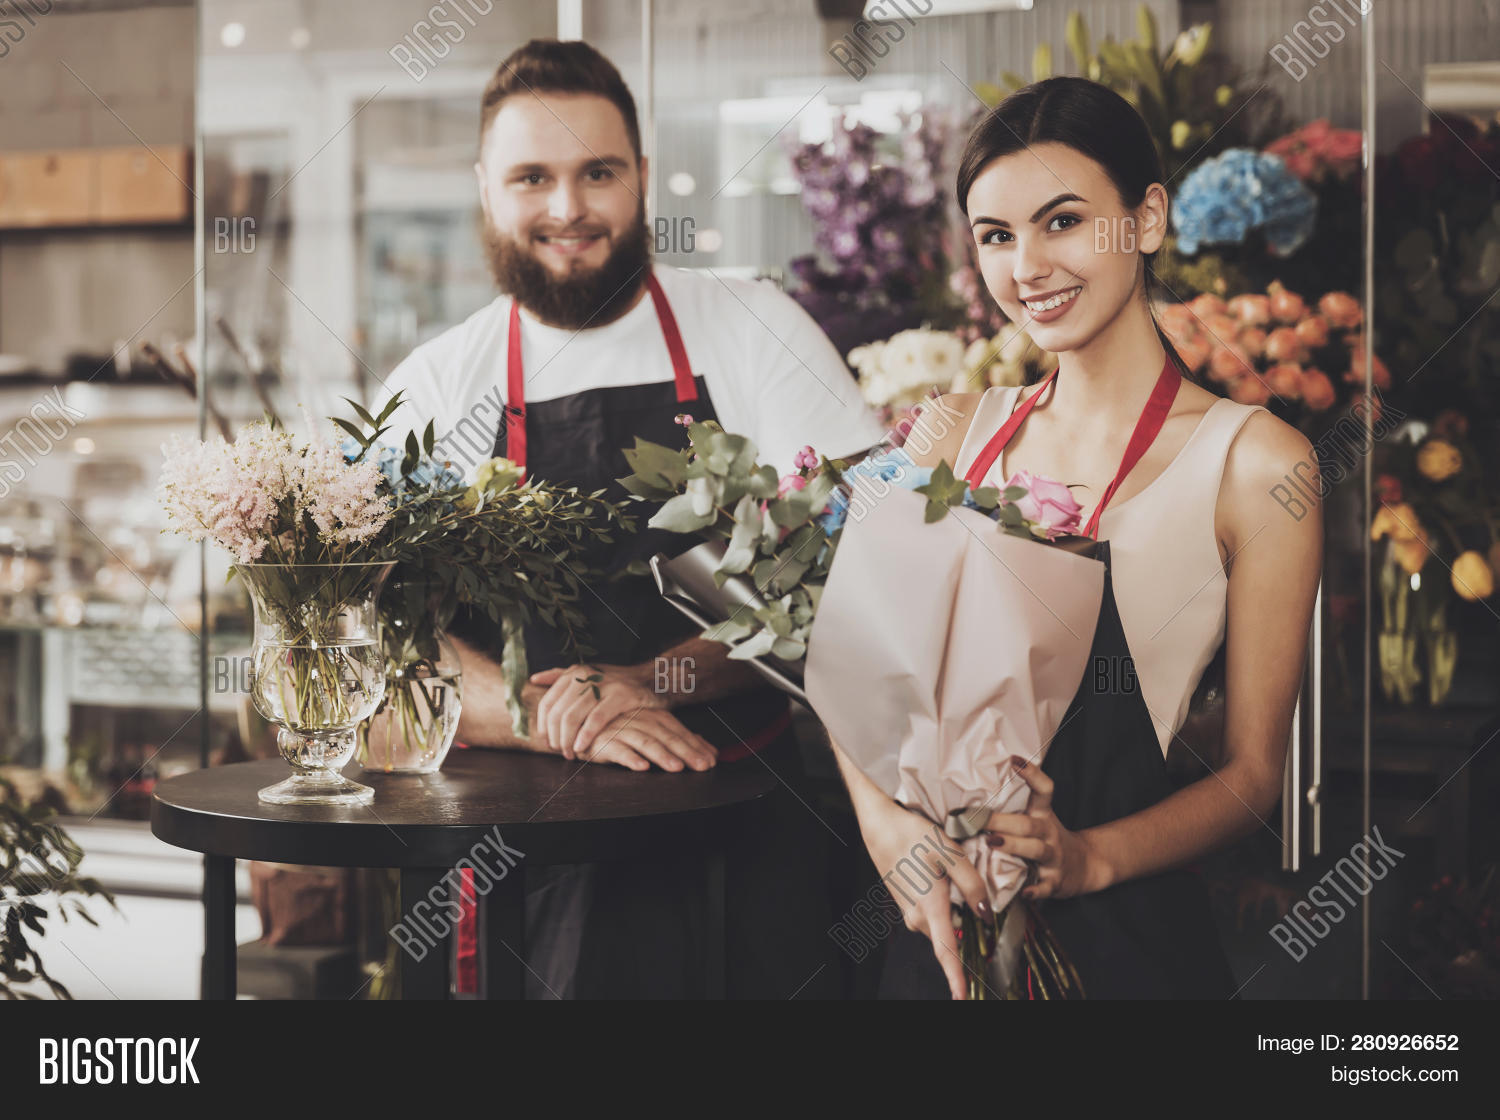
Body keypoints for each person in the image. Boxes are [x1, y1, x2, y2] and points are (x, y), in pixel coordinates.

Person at [378, 39, 885, 998]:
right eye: (533, 177)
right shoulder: (437, 387)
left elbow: (861, 580)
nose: (567, 208)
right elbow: (373, 652)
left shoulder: (754, 328)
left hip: (738, 825)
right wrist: (550, 712)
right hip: (510, 860)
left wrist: (659, 678)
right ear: (485, 190)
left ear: (642, 179)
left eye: (597, 173)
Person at [829, 77, 1324, 999]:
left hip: (1125, 940)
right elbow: (852, 673)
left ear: (1145, 219)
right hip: (939, 924)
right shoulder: (948, 433)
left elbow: (1255, 774)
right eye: (997, 236)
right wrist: (887, 831)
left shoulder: (1256, 463)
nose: (1027, 268)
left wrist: (1087, 858)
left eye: (1062, 222)